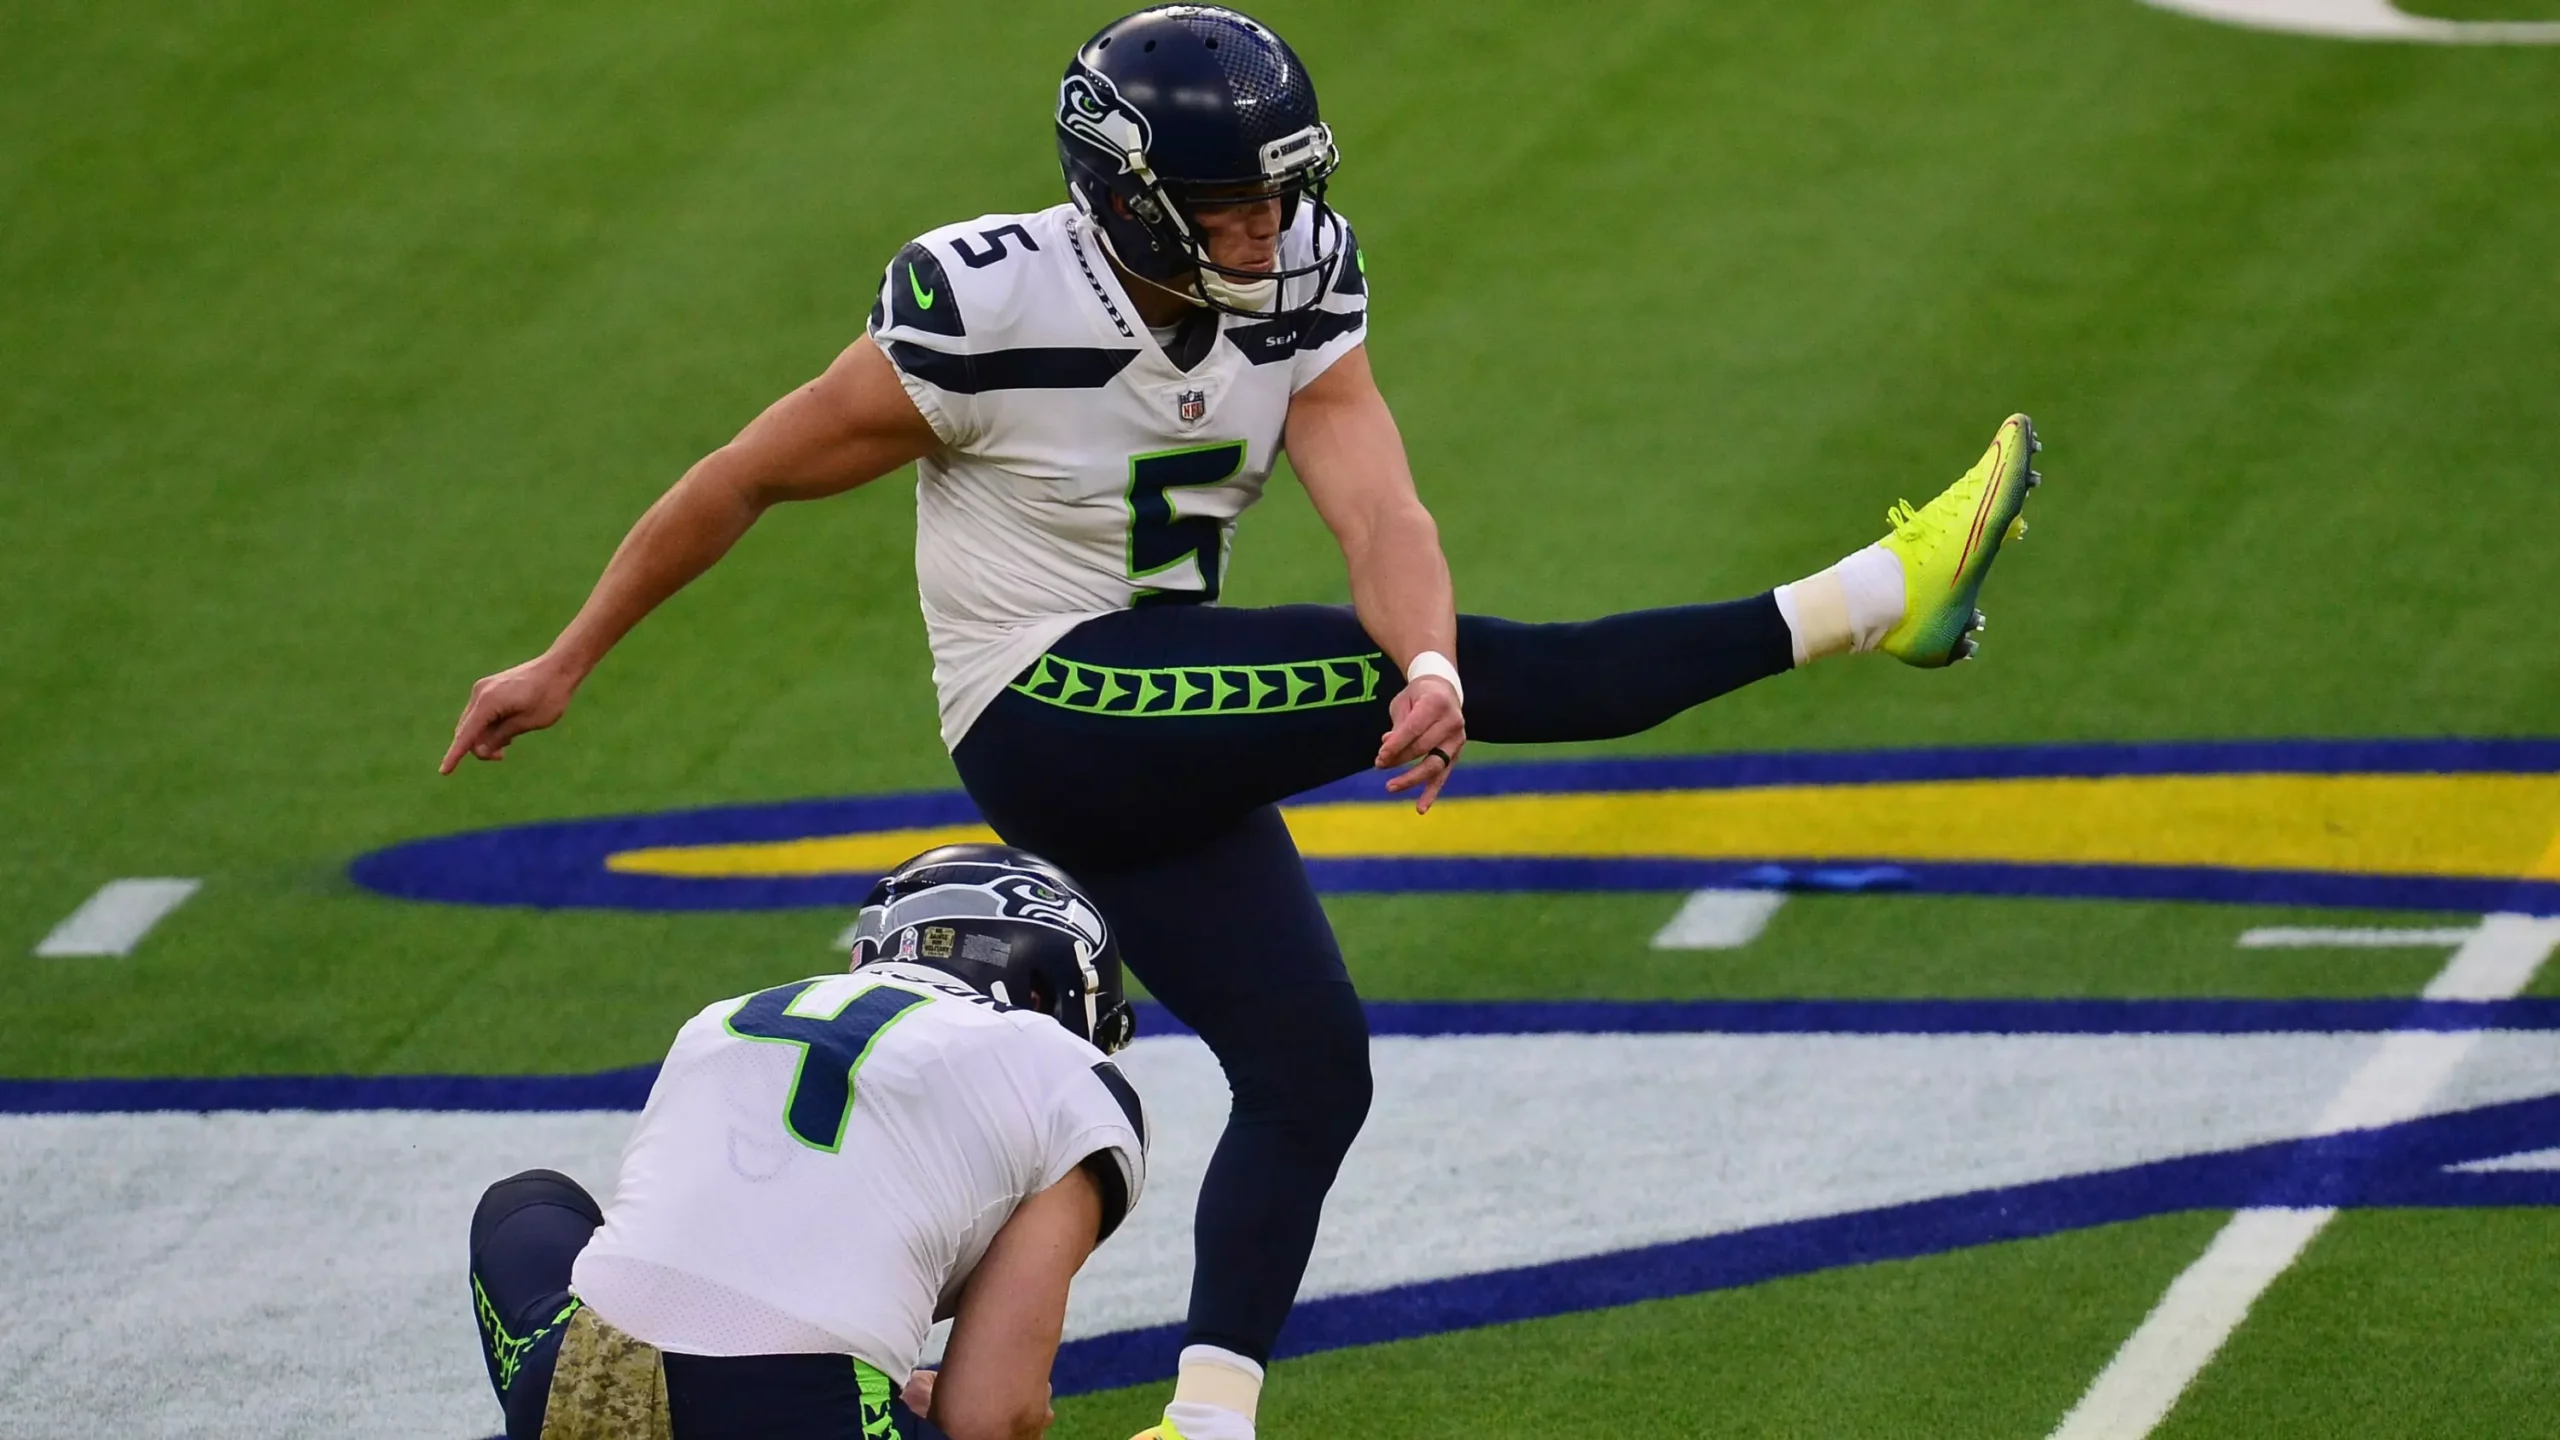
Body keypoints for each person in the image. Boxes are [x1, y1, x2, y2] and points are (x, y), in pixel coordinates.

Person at [439, 7, 2044, 1436]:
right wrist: (570, 658)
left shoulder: (1300, 280)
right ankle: (1876, 600)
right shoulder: (984, 303)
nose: (1272, 226)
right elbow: (745, 476)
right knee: (1461, 672)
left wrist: (1424, 664)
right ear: (1126, 196)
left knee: (1309, 1065)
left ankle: (1209, 1417)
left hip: (1166, 713)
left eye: (1285, 189)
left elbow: (1380, 505)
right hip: (1047, 703)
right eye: (1233, 201)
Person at [466, 845, 1149, 1440]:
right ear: (1046, 983)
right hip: (803, 1411)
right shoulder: (1069, 1075)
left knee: (525, 1200)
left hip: (581, 1384)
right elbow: (991, 1418)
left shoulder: (721, 1020)